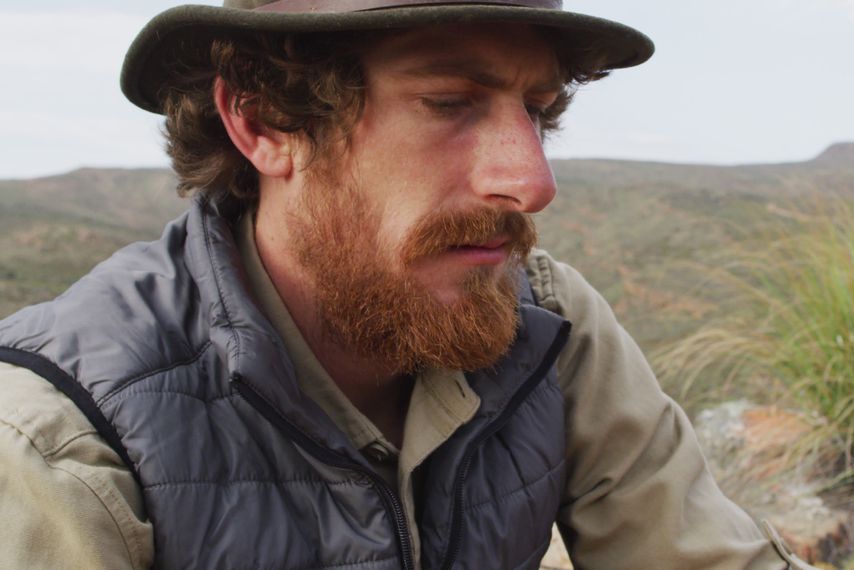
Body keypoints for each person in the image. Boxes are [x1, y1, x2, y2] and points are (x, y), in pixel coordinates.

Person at [0, 1, 808, 568]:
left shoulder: (548, 326)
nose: (531, 181)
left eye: (538, 109)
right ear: (263, 122)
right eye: (450, 102)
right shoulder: (61, 442)